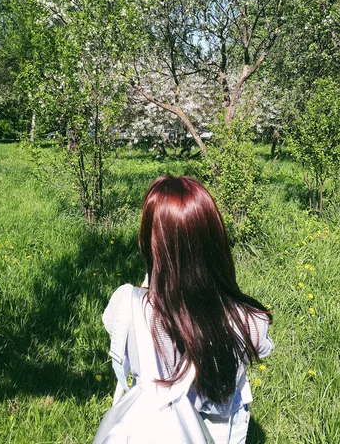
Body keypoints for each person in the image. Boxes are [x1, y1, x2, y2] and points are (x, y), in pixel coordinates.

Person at [102, 176, 274, 444]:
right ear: (214, 242)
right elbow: (263, 348)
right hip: (221, 425)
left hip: (152, 425)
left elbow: (111, 325)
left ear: (148, 244)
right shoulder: (246, 318)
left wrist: (153, 277)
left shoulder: (126, 304)